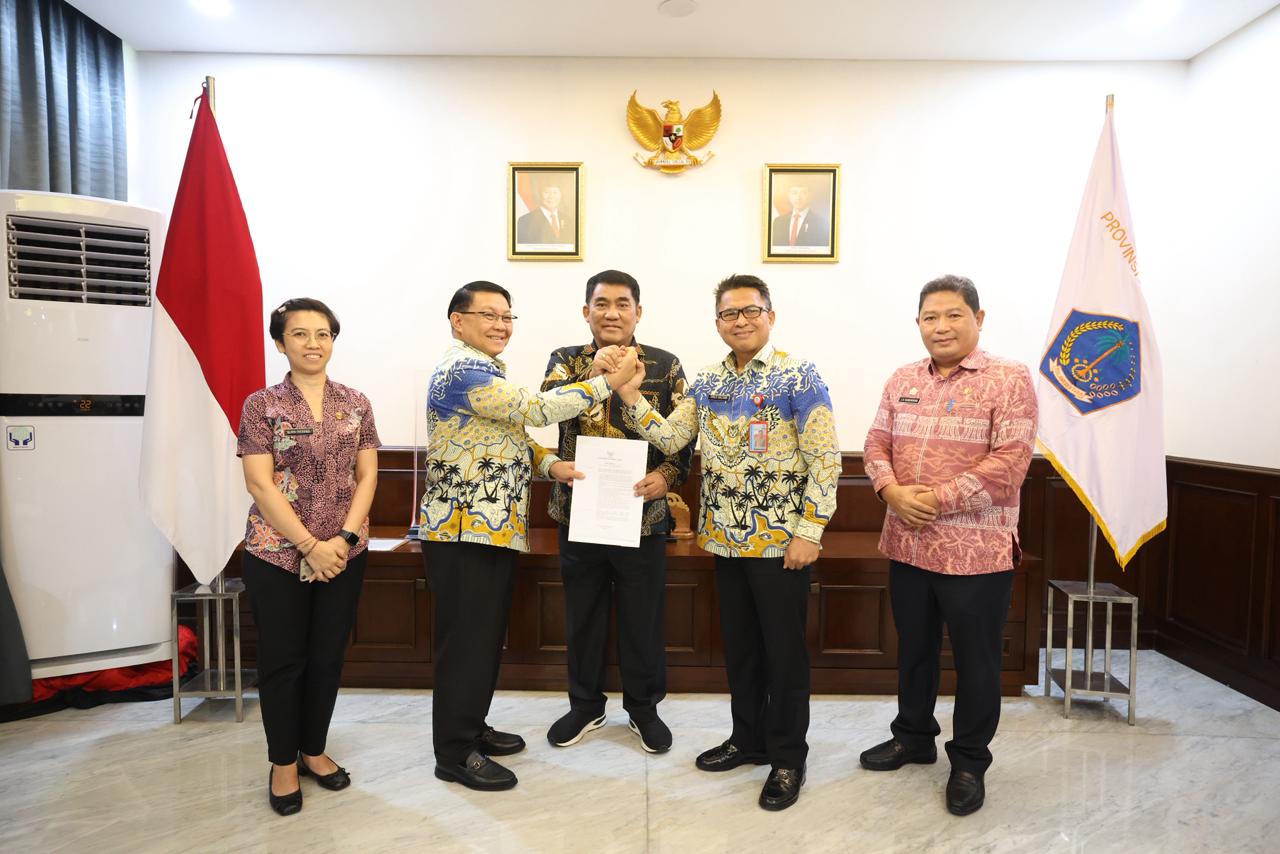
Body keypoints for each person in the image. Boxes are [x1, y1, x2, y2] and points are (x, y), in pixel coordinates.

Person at [615, 274, 840, 812]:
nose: (740, 321)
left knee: (784, 656)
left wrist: (810, 532)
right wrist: (629, 393)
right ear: (717, 322)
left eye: (750, 310)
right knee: (741, 652)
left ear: (770, 315)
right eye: (728, 313)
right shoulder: (710, 379)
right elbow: (672, 437)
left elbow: (825, 460)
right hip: (724, 542)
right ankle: (748, 739)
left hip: (781, 545)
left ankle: (788, 756)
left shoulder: (799, 376)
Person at [418, 281, 639, 791]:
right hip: (463, 532)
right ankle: (454, 752)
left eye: (507, 316)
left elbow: (513, 435)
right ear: (457, 321)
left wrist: (551, 464)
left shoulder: (486, 371)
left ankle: (470, 726)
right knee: (466, 644)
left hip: (490, 529)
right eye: (489, 315)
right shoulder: (463, 371)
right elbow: (536, 410)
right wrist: (606, 382)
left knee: (481, 640)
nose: (501, 325)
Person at [859, 274, 1037, 817]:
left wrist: (936, 499)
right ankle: (913, 738)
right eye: (930, 317)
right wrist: (890, 491)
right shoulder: (902, 378)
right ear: (918, 323)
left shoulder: (1009, 378)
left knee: (977, 662)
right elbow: (875, 443)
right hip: (908, 547)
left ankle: (969, 762)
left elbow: (1010, 463)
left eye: (953, 314)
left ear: (978, 319)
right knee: (913, 651)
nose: (941, 326)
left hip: (975, 553)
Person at [237, 298, 381, 817]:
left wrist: (341, 541)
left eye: (323, 334)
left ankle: (313, 750)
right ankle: (282, 761)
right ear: (281, 343)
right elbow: (260, 483)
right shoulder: (261, 405)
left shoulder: (356, 402)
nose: (313, 343)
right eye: (299, 334)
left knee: (327, 657)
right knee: (283, 660)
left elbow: (368, 475)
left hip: (344, 552)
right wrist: (308, 546)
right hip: (277, 553)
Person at [540, 270, 692, 754]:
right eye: (601, 304)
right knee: (582, 617)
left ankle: (643, 709)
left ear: (638, 312)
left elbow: (683, 437)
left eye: (622, 304)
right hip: (578, 512)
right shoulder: (565, 360)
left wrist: (666, 477)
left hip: (642, 516)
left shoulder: (665, 365)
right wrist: (595, 375)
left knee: (642, 619)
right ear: (586, 312)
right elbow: (548, 409)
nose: (612, 313)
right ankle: (585, 706)